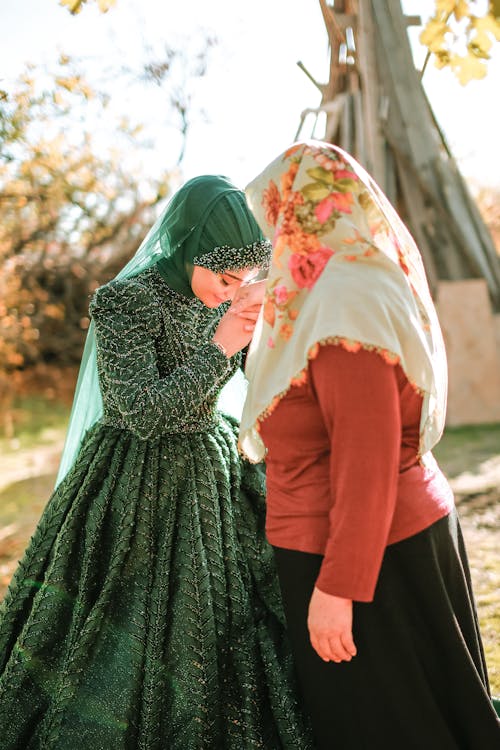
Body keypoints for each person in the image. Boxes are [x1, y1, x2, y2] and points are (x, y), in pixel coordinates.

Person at [0, 175, 313, 750]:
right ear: (191, 247)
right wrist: (220, 343)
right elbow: (141, 412)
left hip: (214, 474)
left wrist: (264, 335)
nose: (232, 290)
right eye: (224, 276)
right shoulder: (125, 302)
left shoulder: (228, 300)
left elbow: (255, 381)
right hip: (129, 482)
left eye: (245, 279)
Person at [238, 140, 500, 749]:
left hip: (365, 557)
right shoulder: (338, 278)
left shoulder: (343, 299)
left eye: (280, 212)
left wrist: (338, 589)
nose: (276, 230)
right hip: (378, 541)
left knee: (395, 727)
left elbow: (367, 458)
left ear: (305, 208)